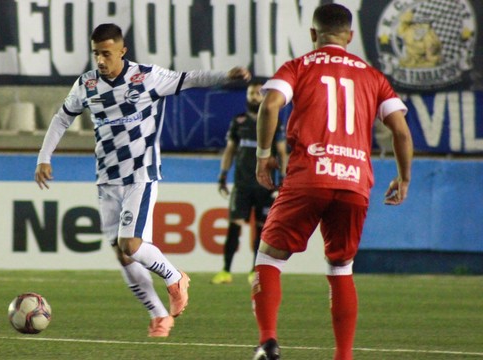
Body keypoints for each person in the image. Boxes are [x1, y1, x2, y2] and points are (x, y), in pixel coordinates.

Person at [34, 23, 251, 338]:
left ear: (122, 51)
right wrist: (44, 156)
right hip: (106, 178)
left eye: (106, 53)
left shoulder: (146, 77)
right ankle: (159, 315)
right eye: (96, 53)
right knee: (123, 255)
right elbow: (62, 117)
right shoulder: (87, 84)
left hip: (141, 173)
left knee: (131, 245)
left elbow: (190, 78)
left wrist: (226, 76)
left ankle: (175, 277)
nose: (100, 60)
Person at [251, 4, 413, 360]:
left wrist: (264, 154)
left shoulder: (299, 66)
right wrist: (403, 178)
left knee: (269, 257)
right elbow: (400, 130)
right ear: (350, 36)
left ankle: (268, 342)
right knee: (341, 267)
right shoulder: (373, 76)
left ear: (313, 34)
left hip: (310, 175)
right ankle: (343, 355)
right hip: (355, 182)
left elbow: (271, 104)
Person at [211, 82, 288, 285]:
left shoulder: (273, 119)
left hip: (265, 185)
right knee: (234, 226)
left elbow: (281, 152)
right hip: (242, 184)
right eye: (251, 93)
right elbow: (230, 150)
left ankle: (254, 271)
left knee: (262, 229)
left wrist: (284, 179)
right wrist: (223, 175)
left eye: (257, 93)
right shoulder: (239, 121)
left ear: (264, 97)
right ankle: (226, 271)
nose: (254, 97)